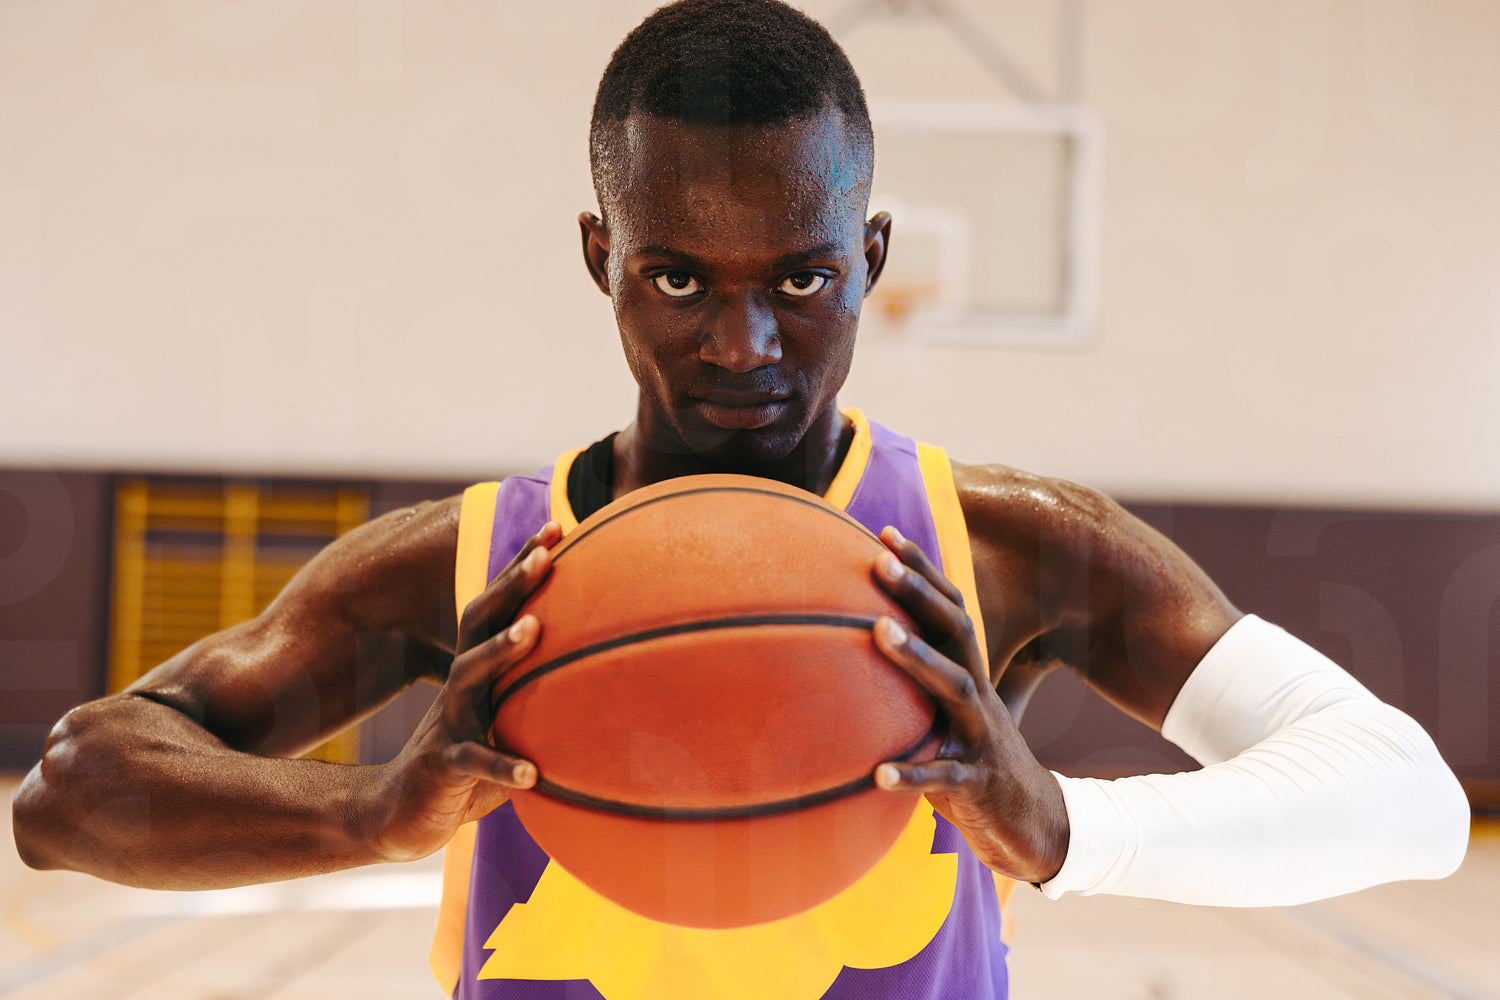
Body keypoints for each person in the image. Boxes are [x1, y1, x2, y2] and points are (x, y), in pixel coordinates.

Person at [12, 1, 1469, 998]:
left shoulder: (1008, 548)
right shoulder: (471, 570)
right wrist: (371, 815)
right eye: (677, 276)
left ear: (873, 254)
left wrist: (1065, 829)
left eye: (801, 277)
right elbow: (68, 795)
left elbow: (1408, 800)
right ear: (602, 255)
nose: (741, 342)